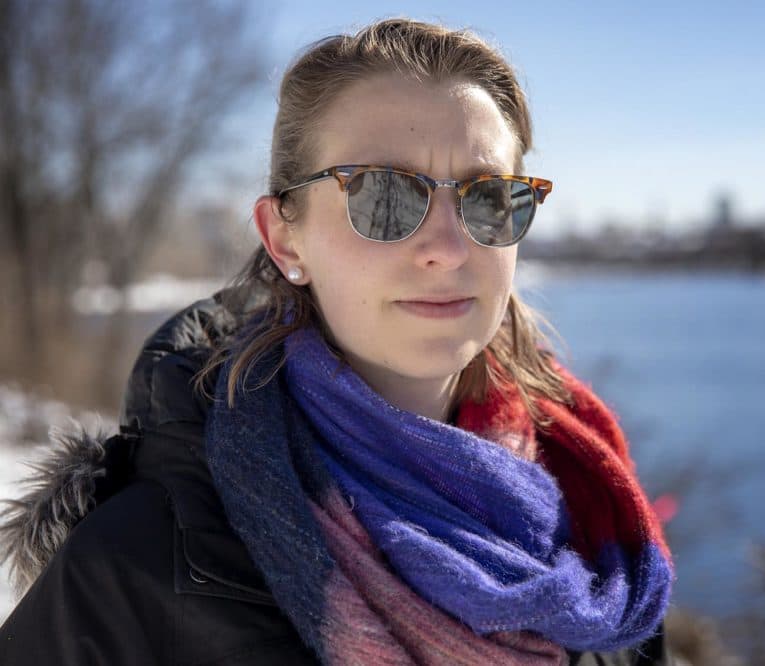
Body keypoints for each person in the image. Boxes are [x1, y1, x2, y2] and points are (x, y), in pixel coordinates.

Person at [0, 18, 676, 665]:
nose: (446, 246)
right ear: (284, 237)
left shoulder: (597, 529)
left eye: (487, 198)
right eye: (385, 197)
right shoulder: (139, 567)